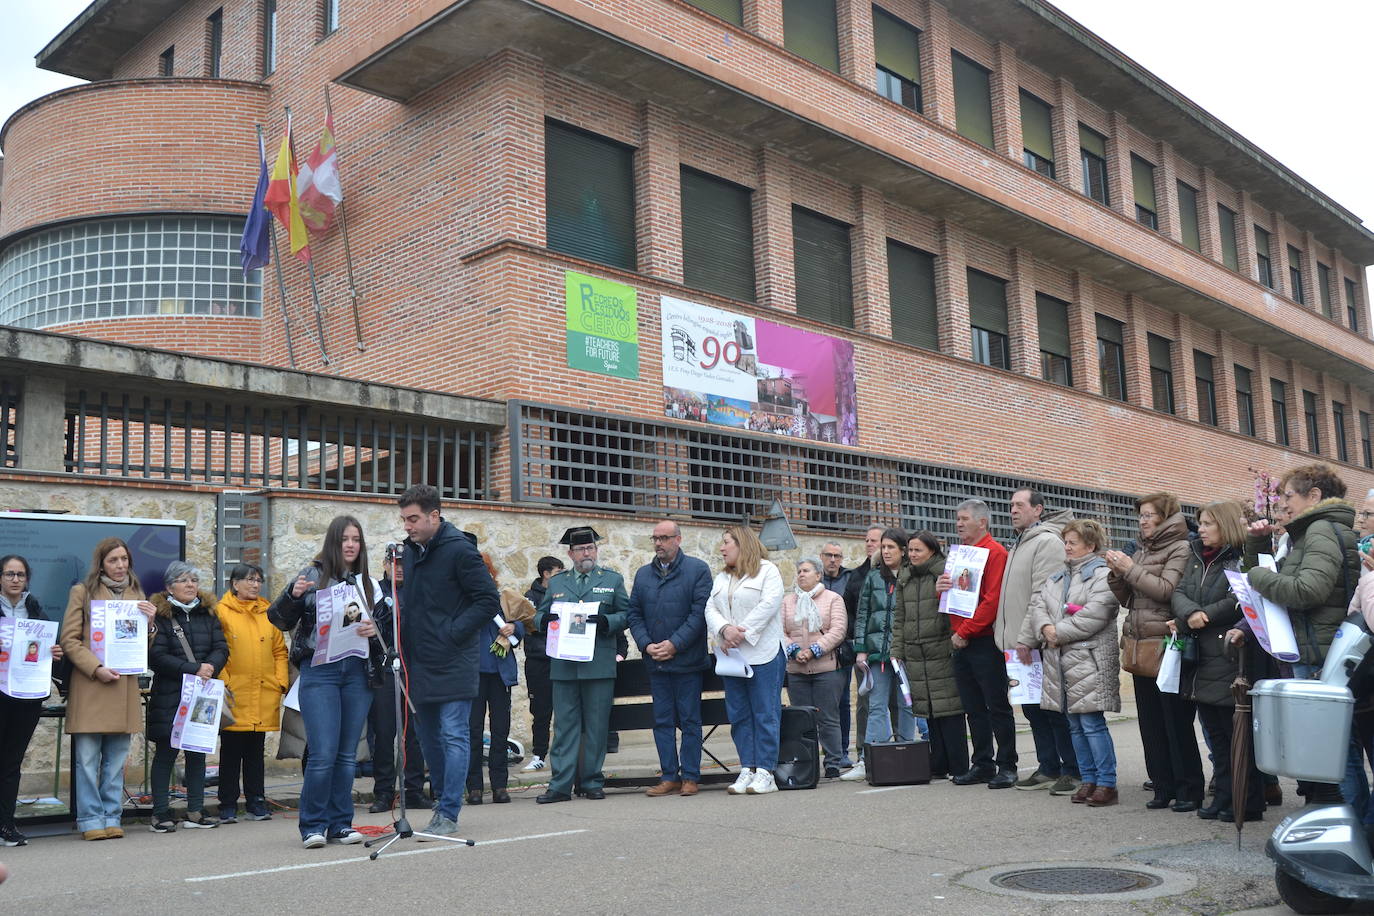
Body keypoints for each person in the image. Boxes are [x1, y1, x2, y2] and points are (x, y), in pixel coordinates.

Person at [268, 515, 381, 848]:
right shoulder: (311, 576)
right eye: (345, 539)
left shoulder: (368, 584)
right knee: (322, 753)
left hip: (357, 672)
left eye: (356, 539)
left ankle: (340, 824)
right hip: (320, 673)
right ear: (333, 542)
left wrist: (374, 630)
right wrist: (292, 593)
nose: (350, 545)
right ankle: (313, 825)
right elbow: (277, 619)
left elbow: (384, 632)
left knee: (347, 755)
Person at [394, 485, 499, 835]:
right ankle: (441, 801)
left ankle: (450, 811)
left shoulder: (460, 551)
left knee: (454, 734)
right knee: (428, 738)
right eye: (404, 520)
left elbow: (486, 601)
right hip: (420, 659)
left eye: (413, 519)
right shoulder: (410, 552)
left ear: (434, 516)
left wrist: (452, 633)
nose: (407, 526)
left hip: (454, 656)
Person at [1171, 500, 1264, 823]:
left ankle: (1247, 799)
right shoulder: (1196, 557)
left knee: (1234, 733)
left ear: (1225, 525)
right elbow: (1179, 592)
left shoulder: (1239, 558)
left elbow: (1240, 598)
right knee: (1215, 733)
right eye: (1201, 523)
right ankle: (1224, 792)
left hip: (1228, 653)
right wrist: (1189, 613)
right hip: (1201, 655)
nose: (1202, 529)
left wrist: (1205, 615)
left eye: (1209, 523)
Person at [60, 538, 157, 841]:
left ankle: (112, 816)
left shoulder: (136, 593)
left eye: (124, 559)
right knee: (87, 761)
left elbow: (141, 648)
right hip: (91, 685)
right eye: (113, 560)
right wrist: (96, 668)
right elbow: (70, 639)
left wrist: (151, 624)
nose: (120, 566)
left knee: (116, 761)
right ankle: (90, 819)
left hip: (123, 688)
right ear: (101, 563)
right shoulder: (82, 592)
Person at [1106, 492, 1198, 811]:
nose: (1142, 521)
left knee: (1175, 721)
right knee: (1150, 722)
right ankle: (1162, 785)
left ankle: (1187, 789)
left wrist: (1129, 569)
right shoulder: (1144, 548)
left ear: (1165, 516)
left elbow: (1167, 591)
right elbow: (1131, 599)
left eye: (1148, 515)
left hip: (1166, 643)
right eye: (1141, 516)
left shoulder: (1181, 547)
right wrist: (1117, 574)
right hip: (1140, 642)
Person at [1027, 520, 1121, 807]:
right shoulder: (1056, 577)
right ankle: (1088, 779)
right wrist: (1044, 629)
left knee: (1092, 723)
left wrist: (1057, 632)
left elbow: (1097, 612)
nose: (1066, 547)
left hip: (1089, 659)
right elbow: (1039, 606)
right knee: (1074, 725)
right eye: (1065, 541)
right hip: (1060, 659)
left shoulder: (1103, 575)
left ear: (1090, 546)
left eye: (1072, 542)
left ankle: (1107, 783)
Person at [535, 526, 629, 804]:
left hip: (598, 663)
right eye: (580, 549)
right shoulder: (557, 582)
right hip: (564, 665)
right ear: (570, 553)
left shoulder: (612, 580)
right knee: (564, 727)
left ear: (596, 551)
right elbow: (539, 616)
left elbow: (627, 613)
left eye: (590, 548)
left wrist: (608, 622)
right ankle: (560, 785)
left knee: (597, 726)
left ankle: (591, 781)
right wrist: (547, 619)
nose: (586, 553)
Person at [1243, 463, 1360, 676]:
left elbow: (1308, 591)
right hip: (1318, 651)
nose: (1284, 505)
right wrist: (1257, 544)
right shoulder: (1315, 531)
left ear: (1314, 496)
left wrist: (1257, 576)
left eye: (1289, 496)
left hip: (1317, 657)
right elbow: (1283, 577)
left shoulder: (1320, 529)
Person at [1000, 489, 1079, 794]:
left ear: (1038, 509)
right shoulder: (1020, 542)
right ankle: (1048, 768)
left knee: (1053, 710)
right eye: (1010, 506)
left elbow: (1042, 595)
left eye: (1019, 505)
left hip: (1035, 643)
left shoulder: (1046, 542)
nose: (1013, 510)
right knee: (1033, 710)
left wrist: (1026, 637)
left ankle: (1072, 771)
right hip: (1018, 645)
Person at [627, 520, 712, 797]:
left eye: (664, 538)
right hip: (656, 661)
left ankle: (690, 776)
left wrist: (674, 644)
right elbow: (634, 615)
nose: (659, 544)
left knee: (689, 720)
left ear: (678, 539)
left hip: (687, 661)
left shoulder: (697, 570)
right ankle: (668, 776)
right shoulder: (643, 574)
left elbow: (699, 615)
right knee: (662, 721)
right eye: (655, 539)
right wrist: (646, 644)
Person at [145, 562, 228, 832]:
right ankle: (160, 814)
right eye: (183, 580)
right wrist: (194, 669)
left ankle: (195, 810)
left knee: (197, 754)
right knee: (166, 754)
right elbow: (156, 656)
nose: (190, 584)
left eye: (194, 579)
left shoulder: (208, 614)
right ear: (169, 587)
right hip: (171, 695)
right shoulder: (161, 616)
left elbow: (221, 647)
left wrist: (211, 667)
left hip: (201, 695)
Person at [937, 499, 1014, 788]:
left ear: (982, 522)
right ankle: (982, 763)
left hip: (982, 641)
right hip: (961, 640)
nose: (958, 523)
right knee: (973, 707)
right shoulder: (959, 555)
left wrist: (965, 632)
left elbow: (992, 601)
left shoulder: (995, 553)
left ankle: (1007, 764)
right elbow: (955, 597)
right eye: (957, 518)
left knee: (997, 706)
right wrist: (940, 591)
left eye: (964, 518)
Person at [706, 525, 785, 795]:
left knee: (765, 712)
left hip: (763, 652)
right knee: (739, 714)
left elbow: (769, 605)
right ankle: (747, 768)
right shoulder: (721, 577)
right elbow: (711, 607)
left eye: (726, 542)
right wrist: (724, 630)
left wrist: (740, 633)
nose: (722, 548)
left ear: (743, 544)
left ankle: (766, 772)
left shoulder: (768, 571)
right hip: (732, 655)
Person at [891, 532, 967, 780]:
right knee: (929, 711)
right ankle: (939, 762)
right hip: (915, 653)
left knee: (949, 709)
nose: (912, 555)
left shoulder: (945, 573)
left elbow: (956, 610)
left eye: (917, 550)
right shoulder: (905, 577)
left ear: (932, 551)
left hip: (941, 649)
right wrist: (897, 650)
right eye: (910, 550)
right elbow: (900, 618)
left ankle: (958, 765)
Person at [0, 555, 64, 847]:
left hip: (25, 697)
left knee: (12, 762)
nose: (15, 579)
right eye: (10, 574)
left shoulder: (35, 610)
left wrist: (55, 653)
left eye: (21, 575)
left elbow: (47, 650)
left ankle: (6, 825)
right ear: (0, 578)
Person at [216, 563, 287, 823]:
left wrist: (280, 681)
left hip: (263, 690)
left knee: (256, 752)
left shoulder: (270, 613)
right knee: (231, 751)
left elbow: (280, 651)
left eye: (258, 580)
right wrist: (224, 681)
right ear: (234, 584)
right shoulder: (221, 612)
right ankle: (227, 803)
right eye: (249, 580)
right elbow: (217, 649)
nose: (255, 584)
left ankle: (257, 801)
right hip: (234, 692)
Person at [368, 554, 429, 813]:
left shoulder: (419, 592)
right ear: (385, 565)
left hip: (414, 669)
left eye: (404, 564)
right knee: (383, 733)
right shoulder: (375, 593)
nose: (399, 569)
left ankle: (413, 791)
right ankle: (383, 792)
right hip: (385, 670)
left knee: (414, 734)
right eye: (394, 564)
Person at [854, 528, 919, 766]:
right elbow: (863, 614)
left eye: (891, 547)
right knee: (876, 705)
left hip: (905, 654)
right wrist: (861, 648)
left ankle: (906, 756)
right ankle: (870, 761)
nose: (886, 551)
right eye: (883, 547)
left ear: (903, 550)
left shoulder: (912, 575)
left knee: (906, 705)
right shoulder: (873, 576)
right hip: (877, 655)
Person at [466, 554, 528, 806]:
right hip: (473, 672)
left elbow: (521, 624)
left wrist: (515, 628)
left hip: (500, 672)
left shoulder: (503, 598)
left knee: (501, 732)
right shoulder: (465, 598)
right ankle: (474, 788)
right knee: (473, 733)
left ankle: (500, 785)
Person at [781, 558, 848, 778]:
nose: (801, 574)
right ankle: (806, 762)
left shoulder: (833, 599)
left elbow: (838, 630)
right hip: (796, 670)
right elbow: (779, 631)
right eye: (799, 571)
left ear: (818, 575)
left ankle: (832, 762)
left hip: (826, 668)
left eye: (806, 571)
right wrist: (794, 651)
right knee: (802, 720)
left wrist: (813, 651)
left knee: (828, 717)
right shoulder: (787, 602)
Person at [842, 526, 885, 767]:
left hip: (892, 648)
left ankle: (903, 746)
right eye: (867, 540)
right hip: (864, 649)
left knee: (896, 702)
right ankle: (863, 753)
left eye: (875, 541)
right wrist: (857, 641)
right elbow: (849, 611)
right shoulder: (857, 576)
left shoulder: (896, 573)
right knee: (865, 702)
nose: (870, 544)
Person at [521, 556, 564, 773]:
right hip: (538, 661)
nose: (562, 575)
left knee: (565, 710)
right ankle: (539, 755)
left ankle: (565, 754)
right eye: (558, 571)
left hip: (561, 659)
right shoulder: (530, 598)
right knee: (540, 711)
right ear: (546, 574)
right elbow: (530, 627)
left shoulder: (564, 594)